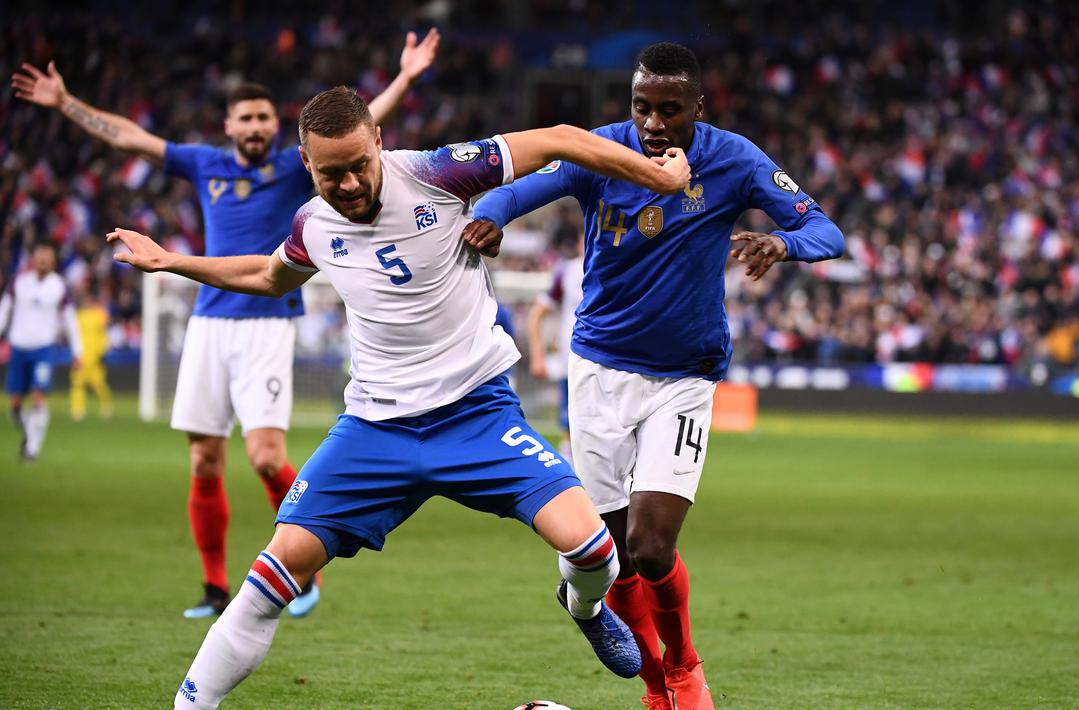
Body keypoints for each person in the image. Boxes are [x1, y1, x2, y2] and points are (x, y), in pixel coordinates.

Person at [107, 85, 692, 709]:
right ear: (306, 164)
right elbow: (269, 276)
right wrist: (172, 262)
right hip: (374, 428)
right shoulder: (313, 224)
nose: (350, 184)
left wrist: (656, 178)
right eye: (332, 173)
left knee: (596, 551)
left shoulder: (439, 173)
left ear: (380, 142)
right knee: (272, 573)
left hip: (476, 414)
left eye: (360, 165)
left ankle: (584, 606)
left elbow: (560, 140)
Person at [12, 28, 440, 619]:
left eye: (265, 117)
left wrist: (406, 77)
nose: (256, 126)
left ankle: (305, 568)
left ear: (275, 127)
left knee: (265, 455)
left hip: (268, 319)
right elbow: (130, 137)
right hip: (208, 323)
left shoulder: (295, 168)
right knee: (204, 460)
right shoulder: (204, 164)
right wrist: (66, 104)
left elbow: (362, 127)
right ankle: (214, 588)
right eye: (247, 118)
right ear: (229, 126)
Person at [467, 42, 846, 710]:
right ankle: (654, 687)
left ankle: (684, 666)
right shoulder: (602, 151)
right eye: (642, 106)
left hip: (684, 377)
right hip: (598, 372)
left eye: (670, 110)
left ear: (698, 107)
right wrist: (489, 219)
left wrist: (782, 243)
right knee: (610, 554)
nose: (653, 123)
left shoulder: (734, 160)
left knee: (650, 546)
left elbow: (825, 230)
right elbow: (520, 188)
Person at [0, 244, 83, 463]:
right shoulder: (19, 282)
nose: (43, 263)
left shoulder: (59, 286)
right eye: (40, 259)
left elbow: (70, 320)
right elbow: (4, 310)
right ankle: (30, 434)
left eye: (47, 259)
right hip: (19, 347)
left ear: (53, 262)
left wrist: (78, 351)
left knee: (38, 397)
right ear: (33, 261)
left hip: (43, 349)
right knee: (14, 405)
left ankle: (32, 449)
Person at [526, 234, 583, 463]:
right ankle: (569, 466)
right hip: (572, 359)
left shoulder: (618, 268)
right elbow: (536, 314)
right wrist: (537, 357)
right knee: (570, 421)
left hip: (609, 361)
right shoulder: (567, 271)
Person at [69, 286, 114, 421]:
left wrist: (103, 349)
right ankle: (78, 410)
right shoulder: (78, 316)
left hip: (95, 356)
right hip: (81, 356)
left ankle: (106, 406)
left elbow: (106, 328)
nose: (87, 303)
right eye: (85, 300)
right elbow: (73, 335)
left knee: (99, 384)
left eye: (89, 300)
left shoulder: (99, 314)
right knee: (77, 384)